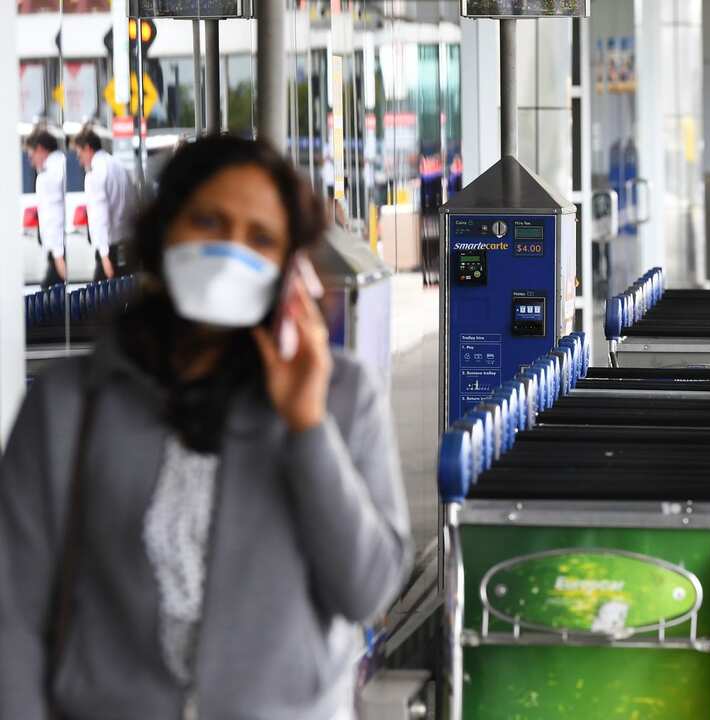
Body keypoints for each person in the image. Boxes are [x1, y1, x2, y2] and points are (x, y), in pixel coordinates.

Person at [0, 135, 412, 718]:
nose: (231, 251)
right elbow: (13, 611)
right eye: (208, 223)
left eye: (261, 239)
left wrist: (307, 426)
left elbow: (365, 588)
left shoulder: (342, 395)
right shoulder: (73, 403)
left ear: (290, 267)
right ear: (164, 233)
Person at [72, 125, 136, 280]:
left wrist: (104, 255)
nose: (80, 161)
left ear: (88, 148)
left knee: (98, 300)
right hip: (127, 245)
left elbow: (99, 215)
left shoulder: (94, 173)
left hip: (109, 249)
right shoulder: (118, 166)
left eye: (79, 154)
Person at [25, 129, 68, 287]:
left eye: (31, 156)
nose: (31, 162)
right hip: (59, 248)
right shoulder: (61, 165)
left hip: (59, 250)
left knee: (49, 297)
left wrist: (57, 254)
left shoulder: (48, 176)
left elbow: (54, 216)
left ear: (41, 150)